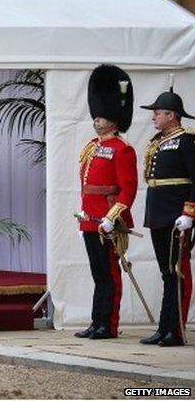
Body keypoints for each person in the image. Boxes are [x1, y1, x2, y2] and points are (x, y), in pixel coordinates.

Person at [74, 65, 137, 340]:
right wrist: (86, 217)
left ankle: (108, 325)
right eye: (96, 115)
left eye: (101, 117)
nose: (96, 120)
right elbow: (86, 187)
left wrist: (113, 217)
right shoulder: (92, 146)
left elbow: (128, 189)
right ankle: (96, 321)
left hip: (109, 222)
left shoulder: (123, 150)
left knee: (111, 275)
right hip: (91, 221)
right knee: (99, 275)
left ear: (114, 120)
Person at [138, 85, 195, 347]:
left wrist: (189, 212)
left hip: (176, 214)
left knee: (176, 271)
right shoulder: (158, 142)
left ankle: (177, 330)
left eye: (157, 113)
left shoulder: (187, 139)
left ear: (171, 115)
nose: (153, 118)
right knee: (166, 273)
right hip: (159, 212)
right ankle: (164, 327)